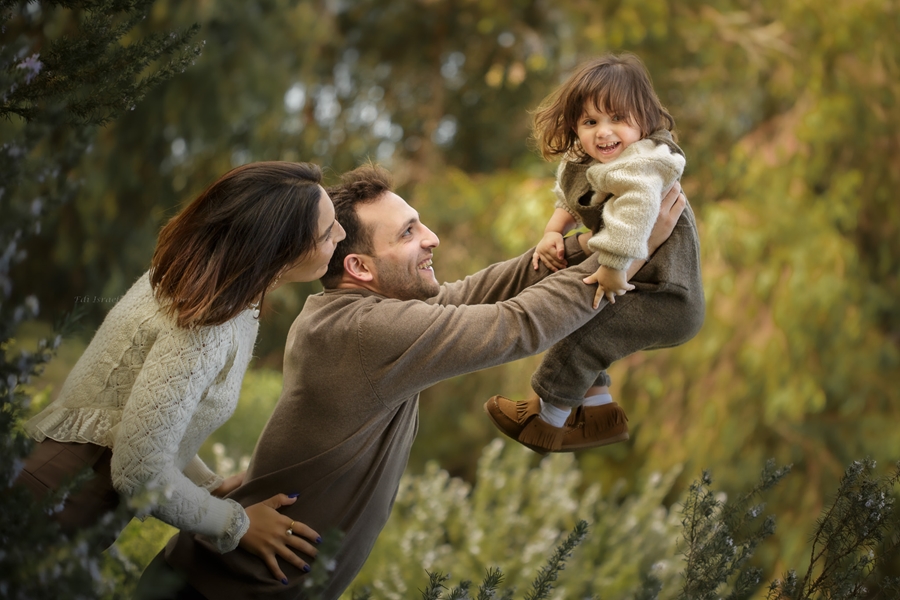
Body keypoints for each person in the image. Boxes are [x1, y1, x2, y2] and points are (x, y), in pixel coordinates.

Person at [137, 162, 686, 599]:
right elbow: (516, 325)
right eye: (407, 232)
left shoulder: (355, 313)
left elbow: (479, 291)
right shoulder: (363, 332)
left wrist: (593, 242)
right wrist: (626, 254)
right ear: (360, 269)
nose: (433, 237)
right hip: (211, 592)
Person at [18, 161, 343, 584]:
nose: (340, 236)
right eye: (327, 232)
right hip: (56, 501)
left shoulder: (200, 282)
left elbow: (140, 419)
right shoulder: (207, 323)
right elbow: (138, 469)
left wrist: (207, 485)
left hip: (60, 490)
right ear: (279, 250)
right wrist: (237, 524)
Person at [485, 52, 705, 454]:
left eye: (618, 119)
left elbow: (635, 216)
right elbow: (570, 195)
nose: (604, 133)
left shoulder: (645, 164)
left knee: (584, 338)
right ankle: (600, 415)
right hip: (649, 285)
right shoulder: (590, 159)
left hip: (668, 294)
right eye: (591, 122)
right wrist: (555, 230)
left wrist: (614, 267)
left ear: (646, 120)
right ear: (575, 125)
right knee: (589, 329)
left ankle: (544, 423)